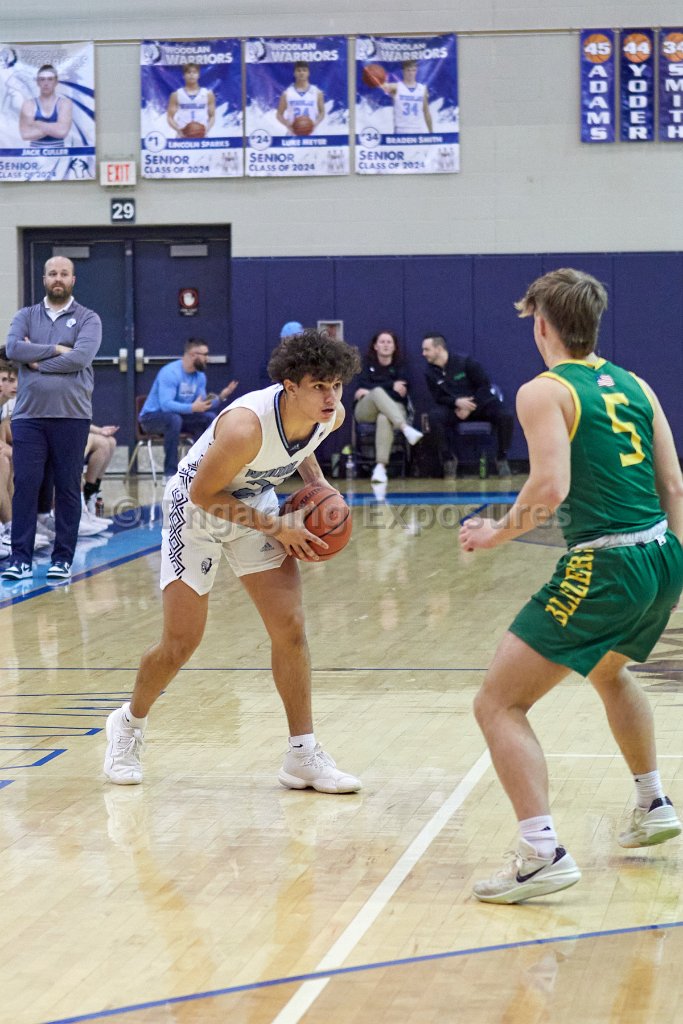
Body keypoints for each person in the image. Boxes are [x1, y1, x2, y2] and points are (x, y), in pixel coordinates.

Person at [459, 268, 683, 905]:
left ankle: (541, 853)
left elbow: (550, 487)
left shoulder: (544, 391)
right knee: (610, 671)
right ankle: (652, 802)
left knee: (497, 704)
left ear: (542, 326)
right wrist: (677, 559)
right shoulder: (636, 383)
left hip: (606, 564)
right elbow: (673, 484)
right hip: (662, 555)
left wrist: (494, 534)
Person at [103, 327, 363, 794]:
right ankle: (128, 724)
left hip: (253, 505)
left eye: (337, 385)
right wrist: (277, 528)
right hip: (195, 511)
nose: (331, 397)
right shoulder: (246, 427)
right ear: (290, 387)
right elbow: (204, 495)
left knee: (290, 627)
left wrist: (321, 489)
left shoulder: (331, 415)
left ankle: (302, 755)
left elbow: (305, 447)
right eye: (320, 386)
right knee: (180, 643)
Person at [1, 256, 101, 583]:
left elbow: (81, 357)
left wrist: (37, 362)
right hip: (29, 417)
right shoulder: (25, 316)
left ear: (73, 279)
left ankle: (62, 559)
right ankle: (20, 559)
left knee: (68, 487)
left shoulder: (88, 318)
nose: (58, 278)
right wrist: (58, 349)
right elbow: (13, 349)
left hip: (72, 416)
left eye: (64, 273)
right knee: (26, 486)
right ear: (44, 279)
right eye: (52, 273)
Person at [138, 339, 238, 479]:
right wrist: (192, 407)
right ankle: (170, 473)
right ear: (193, 355)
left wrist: (221, 396)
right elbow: (166, 405)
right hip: (151, 418)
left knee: (208, 418)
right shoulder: (170, 373)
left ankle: (202, 469)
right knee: (174, 419)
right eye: (205, 354)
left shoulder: (200, 376)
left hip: (179, 417)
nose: (207, 358)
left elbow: (202, 403)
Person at [422, 333, 514, 477]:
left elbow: (484, 386)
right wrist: (456, 402)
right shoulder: (430, 372)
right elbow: (438, 398)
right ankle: (448, 460)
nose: (423, 353)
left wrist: (470, 406)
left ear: (439, 349)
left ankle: (501, 457)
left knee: (506, 415)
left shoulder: (465, 362)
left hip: (480, 405)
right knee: (434, 417)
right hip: (455, 409)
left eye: (427, 349)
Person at [353, 330, 423, 484]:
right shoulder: (366, 365)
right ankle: (405, 428)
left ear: (394, 347)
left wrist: (370, 390)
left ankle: (380, 468)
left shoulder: (401, 367)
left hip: (394, 409)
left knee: (384, 417)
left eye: (389, 342)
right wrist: (390, 385)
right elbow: (360, 388)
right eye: (382, 342)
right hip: (366, 410)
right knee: (378, 392)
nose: (385, 345)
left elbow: (401, 394)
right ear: (375, 346)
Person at [19, 64, 73, 146]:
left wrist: (38, 123)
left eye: (50, 79)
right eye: (42, 79)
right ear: (37, 82)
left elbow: (62, 132)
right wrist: (55, 128)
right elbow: (25, 135)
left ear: (56, 82)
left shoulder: (65, 103)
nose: (46, 83)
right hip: (35, 153)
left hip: (59, 152)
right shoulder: (29, 104)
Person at [377, 60, 432, 134]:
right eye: (408, 70)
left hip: (417, 128)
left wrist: (431, 131)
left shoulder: (422, 89)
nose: (411, 73)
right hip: (401, 128)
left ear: (416, 71)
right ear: (403, 71)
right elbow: (381, 85)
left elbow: (426, 112)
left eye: (413, 70)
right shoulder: (396, 87)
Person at [166, 63, 215, 138]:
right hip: (182, 135)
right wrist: (179, 130)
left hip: (202, 135)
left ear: (198, 75)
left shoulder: (208, 94)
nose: (191, 74)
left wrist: (206, 130)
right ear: (184, 76)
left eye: (194, 72)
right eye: (188, 72)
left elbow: (212, 116)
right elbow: (170, 117)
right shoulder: (176, 94)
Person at [276, 61, 325, 134]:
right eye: (298, 70)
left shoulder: (317, 92)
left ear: (308, 73)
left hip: (311, 134)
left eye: (304, 70)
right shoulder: (287, 93)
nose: (301, 73)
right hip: (292, 135)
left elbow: (322, 112)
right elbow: (279, 114)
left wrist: (315, 123)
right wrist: (287, 124)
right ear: (294, 73)